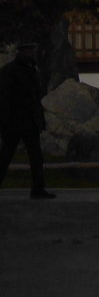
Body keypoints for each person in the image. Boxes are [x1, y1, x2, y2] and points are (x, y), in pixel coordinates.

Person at [0, 42, 55, 199]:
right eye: (29, 50)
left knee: (35, 157)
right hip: (14, 122)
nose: (32, 52)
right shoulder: (11, 71)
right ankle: (38, 188)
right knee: (6, 156)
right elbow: (5, 99)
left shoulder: (29, 70)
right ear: (23, 52)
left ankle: (38, 188)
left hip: (28, 121)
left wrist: (40, 118)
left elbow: (35, 98)